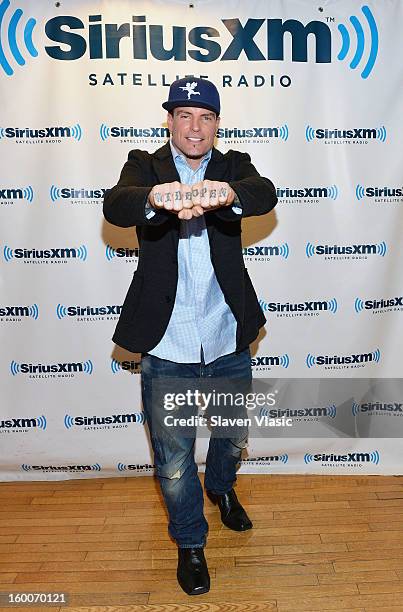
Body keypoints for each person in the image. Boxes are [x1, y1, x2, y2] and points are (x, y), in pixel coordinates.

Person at [103, 77, 277, 595]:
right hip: (167, 342)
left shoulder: (233, 166)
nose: (195, 126)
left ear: (216, 124)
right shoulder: (144, 165)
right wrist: (156, 197)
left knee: (231, 435)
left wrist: (227, 193)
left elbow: (264, 193)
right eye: (184, 115)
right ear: (171, 121)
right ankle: (190, 543)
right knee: (175, 461)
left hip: (226, 336)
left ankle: (222, 489)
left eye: (205, 117)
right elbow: (117, 205)